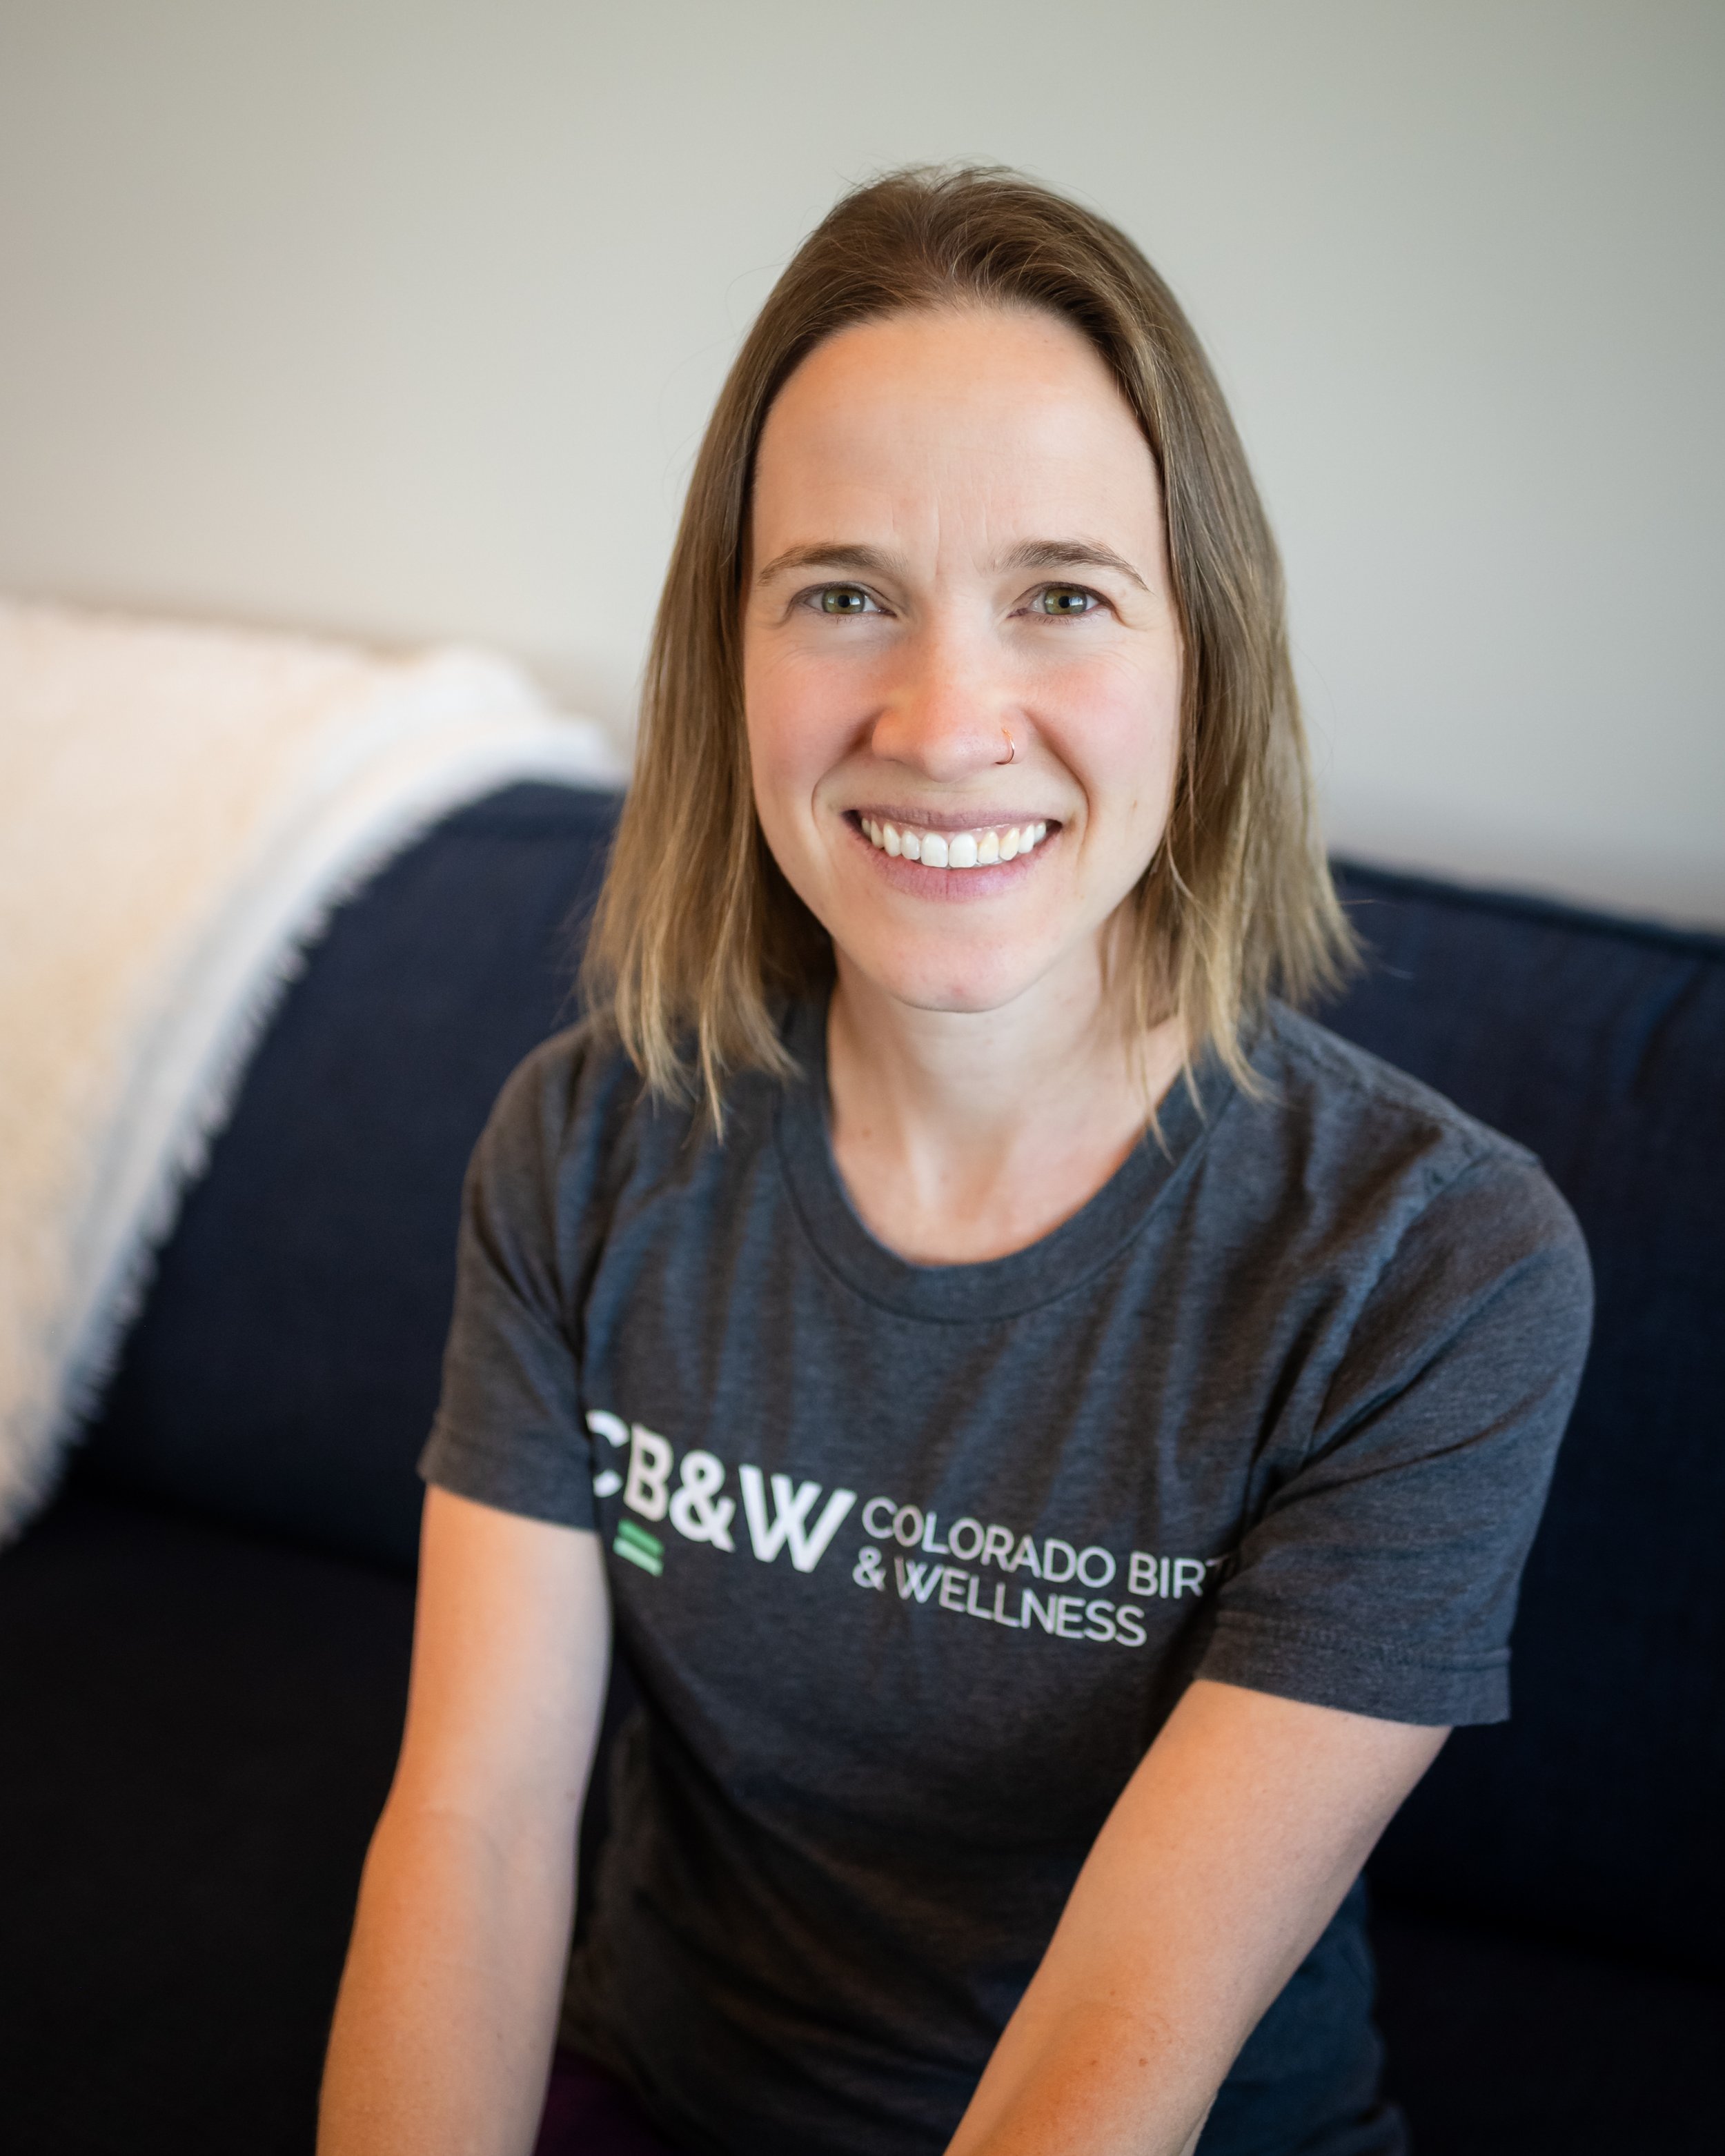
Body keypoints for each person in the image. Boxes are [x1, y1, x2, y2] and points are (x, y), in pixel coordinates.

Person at [317, 166, 1591, 2156]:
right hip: (668, 2081)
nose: (942, 719)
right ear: (727, 659)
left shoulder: (1427, 1266)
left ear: (1204, 660)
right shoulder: (581, 1142)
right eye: (842, 594)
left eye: (1060, 597)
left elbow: (1115, 2042)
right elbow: (475, 1822)